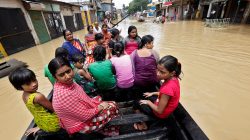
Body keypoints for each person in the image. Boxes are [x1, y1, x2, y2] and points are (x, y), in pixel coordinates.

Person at [48, 57, 119, 136]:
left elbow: (83, 99)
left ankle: (103, 128)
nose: (67, 76)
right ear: (55, 77)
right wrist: (101, 107)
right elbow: (84, 116)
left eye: (68, 71)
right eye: (62, 75)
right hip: (81, 125)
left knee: (99, 98)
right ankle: (110, 131)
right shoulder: (63, 94)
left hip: (79, 117)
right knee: (113, 105)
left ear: (72, 69)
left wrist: (99, 106)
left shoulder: (68, 84)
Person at [133, 55, 182, 130]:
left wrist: (149, 102)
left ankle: (143, 125)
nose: (158, 73)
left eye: (162, 72)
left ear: (172, 73)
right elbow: (166, 95)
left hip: (160, 114)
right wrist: (153, 93)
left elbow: (159, 110)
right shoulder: (174, 79)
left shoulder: (167, 88)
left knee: (136, 102)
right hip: (165, 108)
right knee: (145, 96)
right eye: (157, 70)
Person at [9, 68, 60, 136]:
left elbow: (37, 112)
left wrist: (40, 126)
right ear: (19, 87)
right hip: (54, 124)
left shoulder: (24, 96)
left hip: (42, 124)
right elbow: (54, 109)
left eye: (34, 80)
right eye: (28, 83)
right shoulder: (38, 96)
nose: (34, 84)